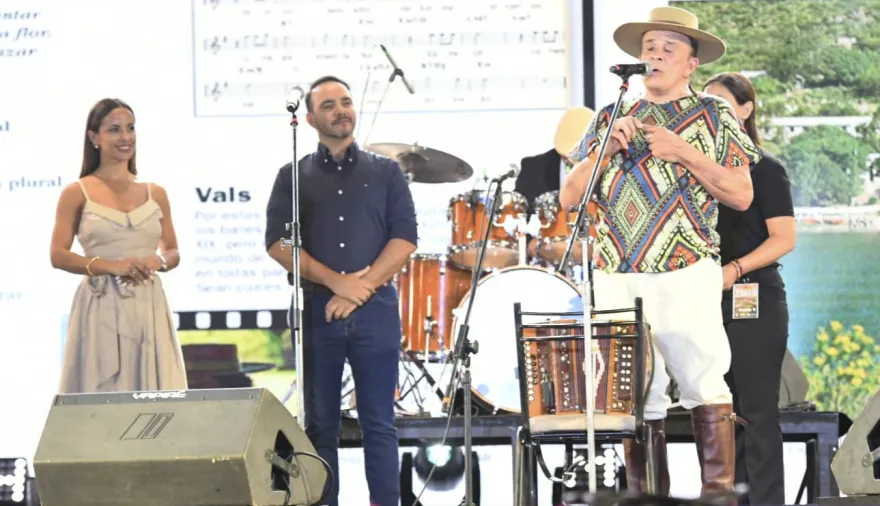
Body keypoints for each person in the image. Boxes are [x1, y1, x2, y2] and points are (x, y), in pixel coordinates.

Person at [559, 7, 761, 500]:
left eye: (669, 47)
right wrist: (603, 151)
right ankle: (642, 498)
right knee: (632, 397)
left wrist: (685, 152)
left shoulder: (715, 116)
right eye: (649, 46)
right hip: (614, 274)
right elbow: (568, 198)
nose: (655, 54)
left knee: (704, 385)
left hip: (685, 270)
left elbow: (741, 193)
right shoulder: (610, 117)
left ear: (692, 64)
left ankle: (717, 496)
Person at [264, 75, 418, 506]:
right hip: (318, 311)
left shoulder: (386, 171)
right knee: (320, 428)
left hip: (376, 314)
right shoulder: (293, 176)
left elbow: (405, 238)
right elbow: (280, 243)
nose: (341, 110)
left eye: (346, 101)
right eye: (329, 105)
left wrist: (359, 289)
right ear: (311, 118)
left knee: (380, 425)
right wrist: (337, 283)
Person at [50, 98, 187, 393]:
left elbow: (173, 251)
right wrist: (111, 266)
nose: (125, 138)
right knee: (102, 394)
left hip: (148, 306)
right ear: (94, 138)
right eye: (114, 130)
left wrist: (158, 262)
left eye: (130, 128)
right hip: (100, 307)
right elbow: (58, 255)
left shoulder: (155, 192)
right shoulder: (77, 192)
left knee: (154, 396)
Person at [703, 72, 796, 506]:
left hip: (753, 297)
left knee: (757, 414)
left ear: (745, 110)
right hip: (704, 301)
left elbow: (784, 238)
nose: (712, 113)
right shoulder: (696, 170)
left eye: (721, 104)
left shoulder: (765, 168)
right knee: (722, 417)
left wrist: (736, 269)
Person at [516, 107, 594, 262]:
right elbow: (519, 220)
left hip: (598, 262)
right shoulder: (533, 169)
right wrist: (531, 244)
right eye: (566, 157)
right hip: (547, 265)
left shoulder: (612, 168)